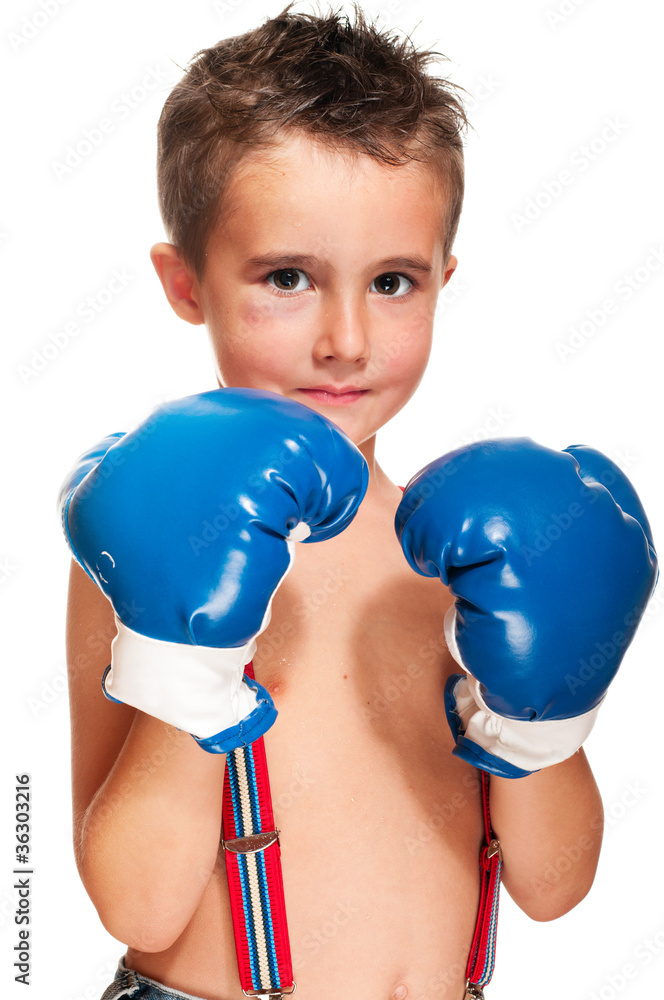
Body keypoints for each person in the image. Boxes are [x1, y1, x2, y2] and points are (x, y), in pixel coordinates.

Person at [59, 5, 657, 1000]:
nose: (346, 337)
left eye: (391, 282)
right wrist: (185, 661)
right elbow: (137, 906)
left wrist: (545, 715)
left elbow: (552, 887)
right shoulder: (145, 527)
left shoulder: (463, 554)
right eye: (287, 276)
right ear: (185, 281)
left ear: (442, 281)